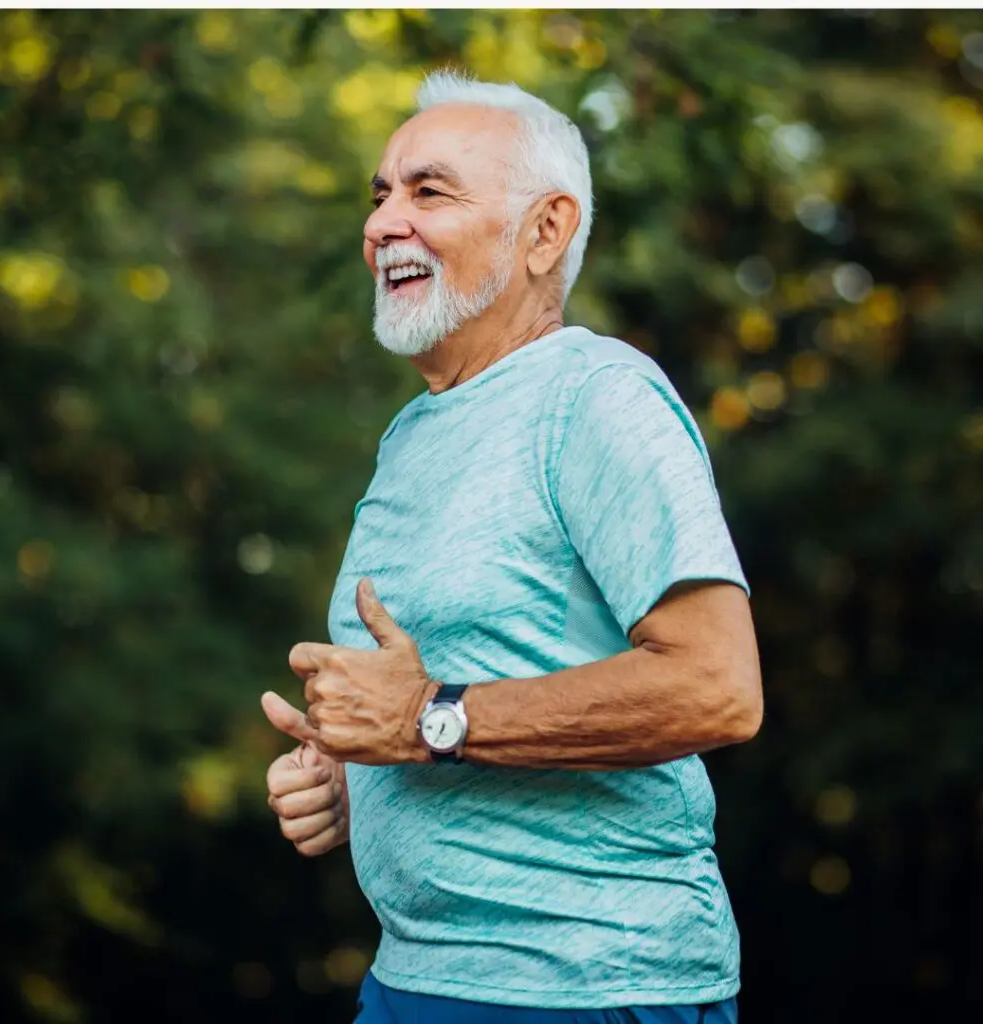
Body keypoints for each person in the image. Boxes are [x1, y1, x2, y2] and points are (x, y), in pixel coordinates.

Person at [261, 70, 763, 1024]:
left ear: (546, 231)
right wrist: (345, 772)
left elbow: (718, 688)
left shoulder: (598, 398)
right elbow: (437, 691)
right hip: (417, 976)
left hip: (586, 985)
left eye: (428, 191)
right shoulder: (413, 434)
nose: (382, 224)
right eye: (379, 196)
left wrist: (426, 723)